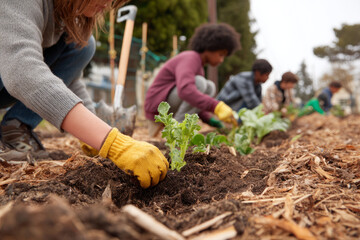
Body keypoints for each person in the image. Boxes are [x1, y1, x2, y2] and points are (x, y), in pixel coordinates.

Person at [0, 0, 168, 189]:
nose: (110, 4)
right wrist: (112, 143)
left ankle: (16, 127)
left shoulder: (60, 17)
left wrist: (92, 133)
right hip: (9, 70)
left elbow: (68, 80)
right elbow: (21, 70)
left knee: (82, 44)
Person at [144, 23, 241, 137]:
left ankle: (181, 129)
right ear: (209, 47)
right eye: (220, 54)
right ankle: (180, 132)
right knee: (200, 83)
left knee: (208, 86)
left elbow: (193, 104)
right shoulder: (190, 58)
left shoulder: (198, 67)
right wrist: (216, 106)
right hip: (158, 107)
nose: (221, 60)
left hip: (169, 104)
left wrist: (210, 120)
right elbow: (185, 91)